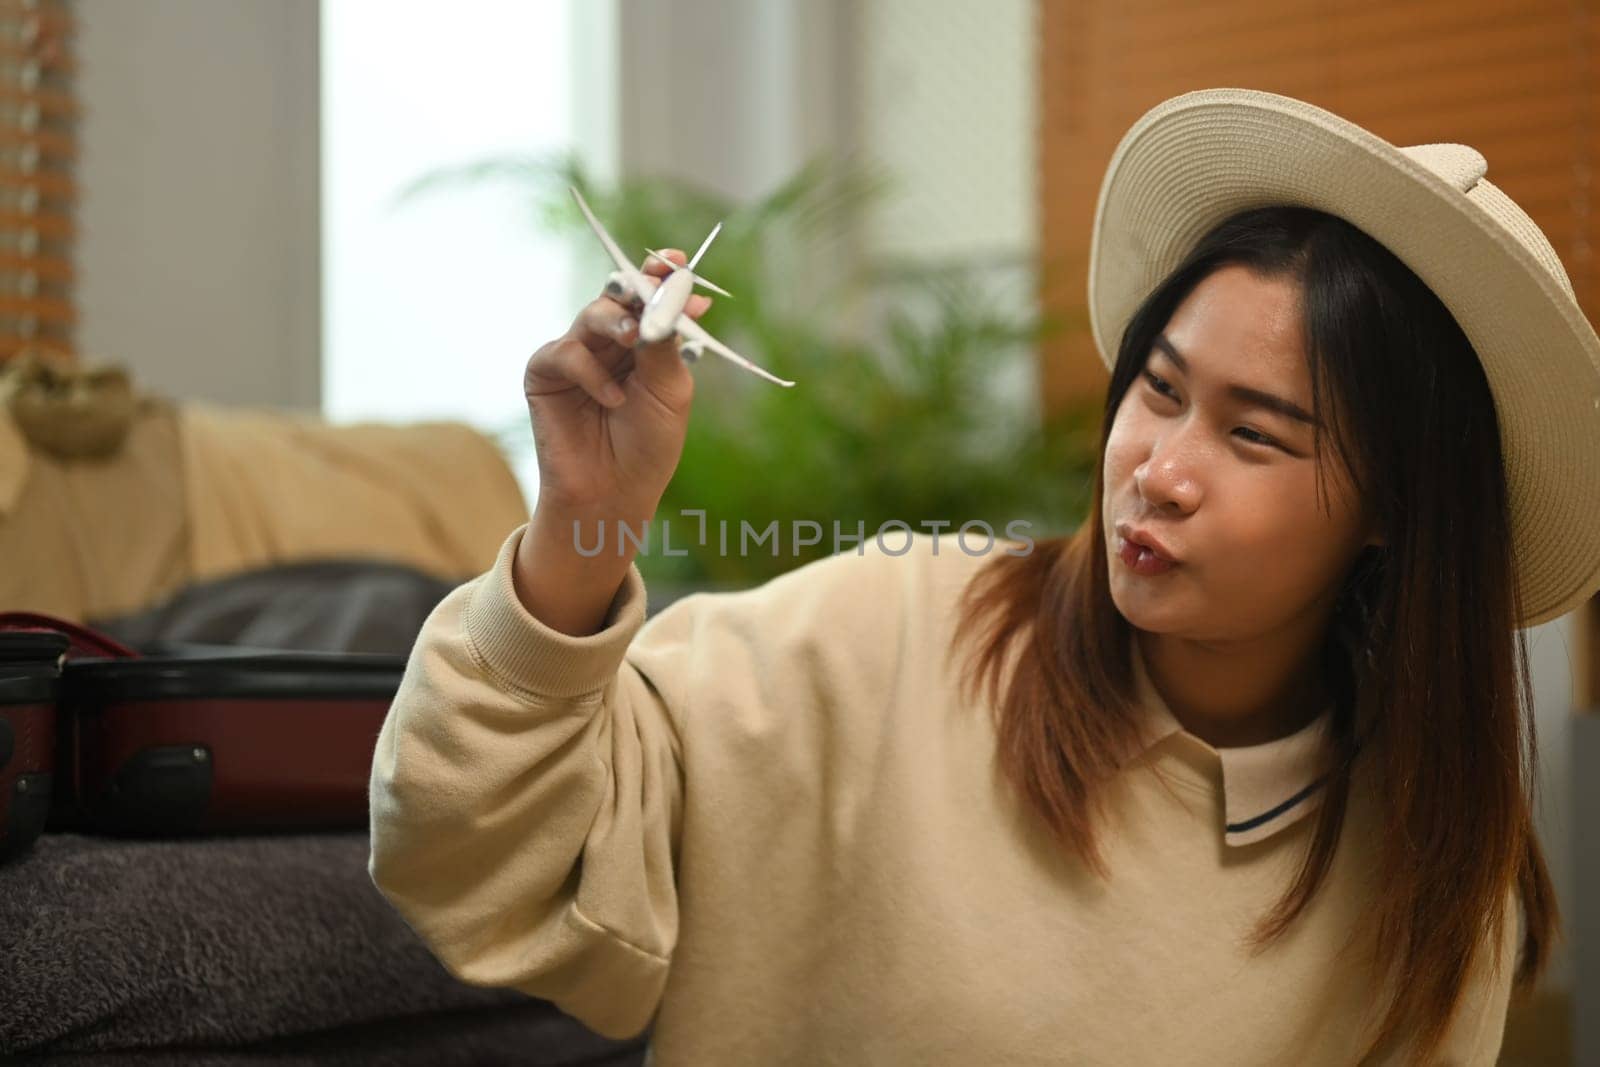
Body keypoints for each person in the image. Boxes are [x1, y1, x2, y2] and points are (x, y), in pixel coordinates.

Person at [367, 89, 1600, 1065]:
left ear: (1393, 509)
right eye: (1158, 390)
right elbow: (474, 864)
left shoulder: (1434, 871)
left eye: (1254, 433)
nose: (1159, 469)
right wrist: (583, 523)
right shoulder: (891, 627)